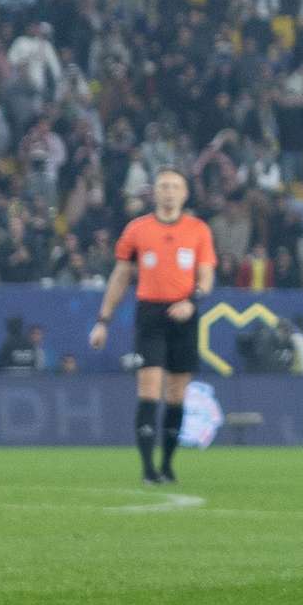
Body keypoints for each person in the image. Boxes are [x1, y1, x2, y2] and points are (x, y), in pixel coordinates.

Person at [91, 169, 217, 485]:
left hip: (185, 313)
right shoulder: (138, 230)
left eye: (175, 186)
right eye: (163, 186)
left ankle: (168, 463)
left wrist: (193, 301)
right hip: (151, 314)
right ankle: (148, 468)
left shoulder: (198, 230)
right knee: (149, 387)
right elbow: (121, 276)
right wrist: (103, 320)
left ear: (185, 193)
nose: (169, 192)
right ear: (155, 193)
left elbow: (206, 276)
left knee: (176, 393)